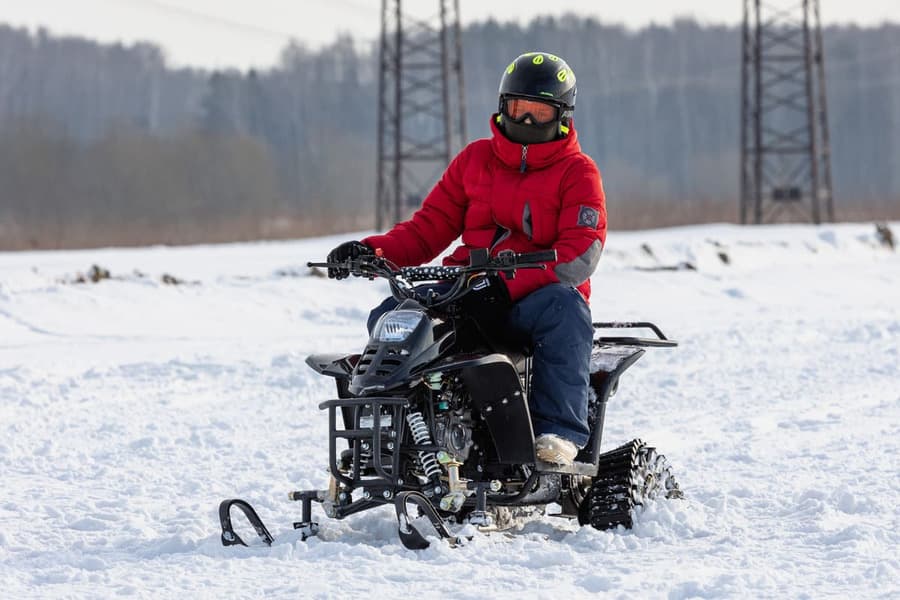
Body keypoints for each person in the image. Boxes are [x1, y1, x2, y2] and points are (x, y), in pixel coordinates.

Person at [327, 52, 607, 466]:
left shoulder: (578, 172)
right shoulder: (475, 160)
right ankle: (398, 432)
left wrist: (504, 287)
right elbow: (428, 227)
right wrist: (372, 250)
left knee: (567, 310)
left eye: (540, 112)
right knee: (394, 315)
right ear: (503, 106)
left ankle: (557, 433)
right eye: (519, 108)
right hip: (467, 286)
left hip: (534, 299)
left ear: (562, 116)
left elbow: (579, 254)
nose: (527, 120)